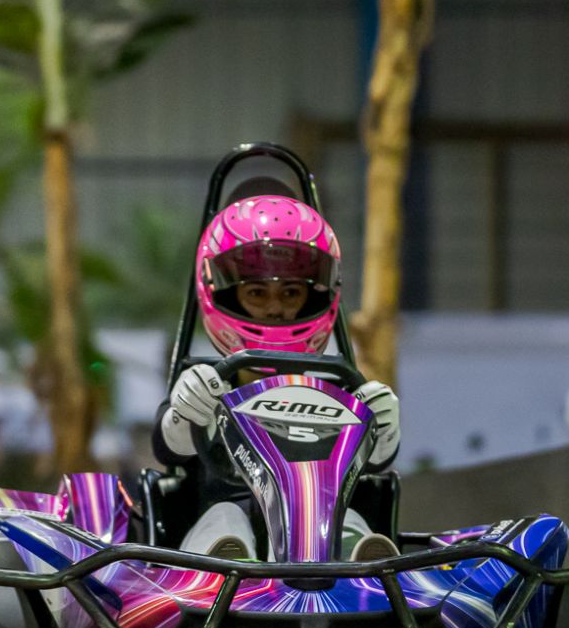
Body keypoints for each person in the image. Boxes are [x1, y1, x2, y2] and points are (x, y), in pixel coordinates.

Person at [155, 193, 400, 561]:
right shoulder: (206, 388)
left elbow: (377, 464)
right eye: (256, 293)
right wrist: (184, 413)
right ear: (225, 295)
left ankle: (362, 567)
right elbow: (168, 447)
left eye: (290, 292)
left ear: (315, 296)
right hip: (219, 536)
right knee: (224, 519)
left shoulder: (343, 390)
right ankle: (226, 566)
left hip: (319, 535)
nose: (275, 308)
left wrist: (384, 428)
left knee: (346, 519)